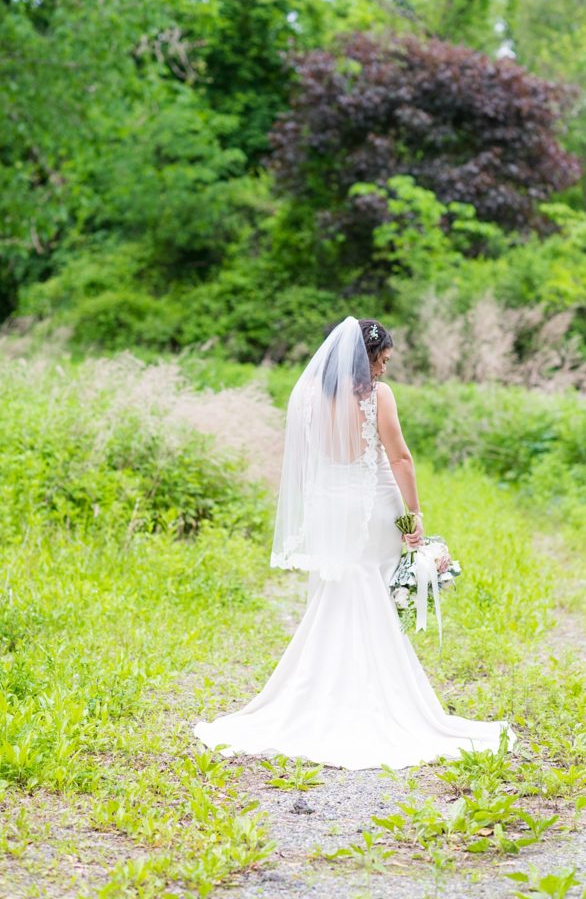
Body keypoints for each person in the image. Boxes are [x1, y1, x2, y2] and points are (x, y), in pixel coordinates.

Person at [193, 316, 514, 769]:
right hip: (372, 507)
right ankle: (372, 697)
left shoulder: (308, 397)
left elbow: (306, 460)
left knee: (339, 593)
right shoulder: (377, 397)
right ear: (367, 358)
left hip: (330, 507)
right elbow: (399, 457)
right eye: (382, 359)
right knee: (371, 597)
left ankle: (325, 694)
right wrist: (414, 513)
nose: (384, 368)